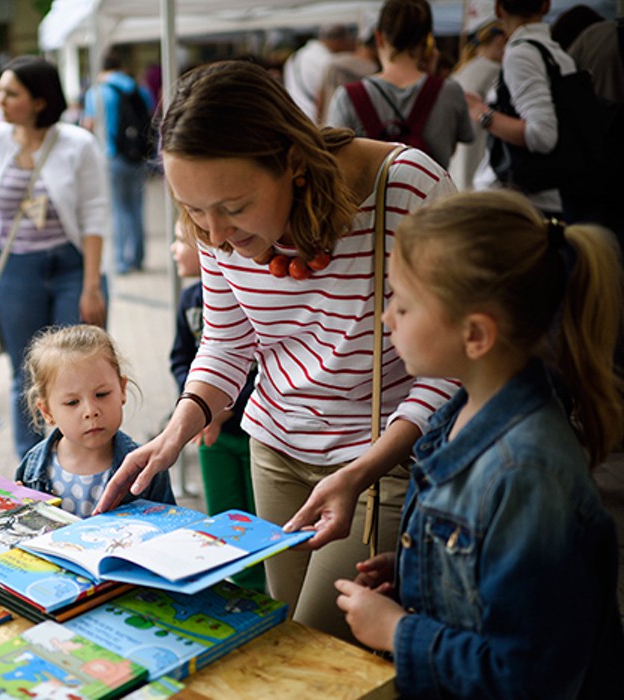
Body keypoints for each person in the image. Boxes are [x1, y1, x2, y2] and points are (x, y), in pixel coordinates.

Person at [95, 59, 457, 641]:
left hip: (383, 465)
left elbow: (450, 368)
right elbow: (228, 340)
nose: (213, 235)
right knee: (279, 633)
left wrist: (364, 469)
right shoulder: (213, 222)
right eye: (192, 211)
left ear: (291, 161)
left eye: (233, 209)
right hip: (276, 452)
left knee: (316, 646)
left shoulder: (406, 187)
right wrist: (177, 430)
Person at [334, 190, 624, 697]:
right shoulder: (460, 413)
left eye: (401, 303)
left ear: (476, 335)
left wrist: (398, 632)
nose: (385, 320)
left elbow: (527, 674)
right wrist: (418, 571)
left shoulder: (526, 474)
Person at [0, 56, 109, 459]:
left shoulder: (78, 143)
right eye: (0, 92)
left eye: (11, 93)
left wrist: (92, 284)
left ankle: (83, 461)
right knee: (25, 375)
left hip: (71, 267)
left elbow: (95, 215)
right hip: (14, 270)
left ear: (39, 101)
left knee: (79, 372)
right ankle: (33, 469)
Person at [169, 222, 264, 592]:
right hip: (212, 438)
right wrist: (195, 405)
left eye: (180, 241)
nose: (174, 250)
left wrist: (226, 404)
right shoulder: (189, 301)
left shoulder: (246, 294)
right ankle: (240, 587)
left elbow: (256, 363)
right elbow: (181, 360)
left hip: (250, 433)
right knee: (226, 518)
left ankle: (265, 588)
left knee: (260, 519)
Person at [16, 324, 175, 518]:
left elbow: (170, 529)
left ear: (122, 390)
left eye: (101, 394)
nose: (91, 411)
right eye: (72, 402)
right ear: (47, 411)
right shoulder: (33, 468)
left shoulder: (147, 468)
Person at [327, 0, 473, 169]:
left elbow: (336, 160)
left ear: (379, 37)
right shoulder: (450, 91)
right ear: (428, 40)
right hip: (433, 194)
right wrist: (432, 78)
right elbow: (454, 144)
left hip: (369, 196)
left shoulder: (347, 96)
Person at [466, 0, 577, 218]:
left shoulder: (522, 54)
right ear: (546, 6)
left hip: (517, 204)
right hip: (543, 197)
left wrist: (480, 112)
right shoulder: (558, 55)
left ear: (498, 9)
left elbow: (542, 135)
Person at [82, 50, 154, 274]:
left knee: (119, 208)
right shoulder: (137, 88)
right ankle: (139, 257)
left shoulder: (97, 92)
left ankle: (122, 260)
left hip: (112, 155)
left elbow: (89, 125)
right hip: (138, 154)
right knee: (137, 206)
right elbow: (150, 114)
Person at [447, 18, 506, 190]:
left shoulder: (461, 70)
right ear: (500, 39)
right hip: (479, 162)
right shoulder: (495, 72)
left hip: (456, 164)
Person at [283, 24, 356, 123]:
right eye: (347, 42)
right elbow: (321, 97)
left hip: (294, 117)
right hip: (314, 121)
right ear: (338, 42)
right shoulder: (327, 61)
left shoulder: (294, 56)